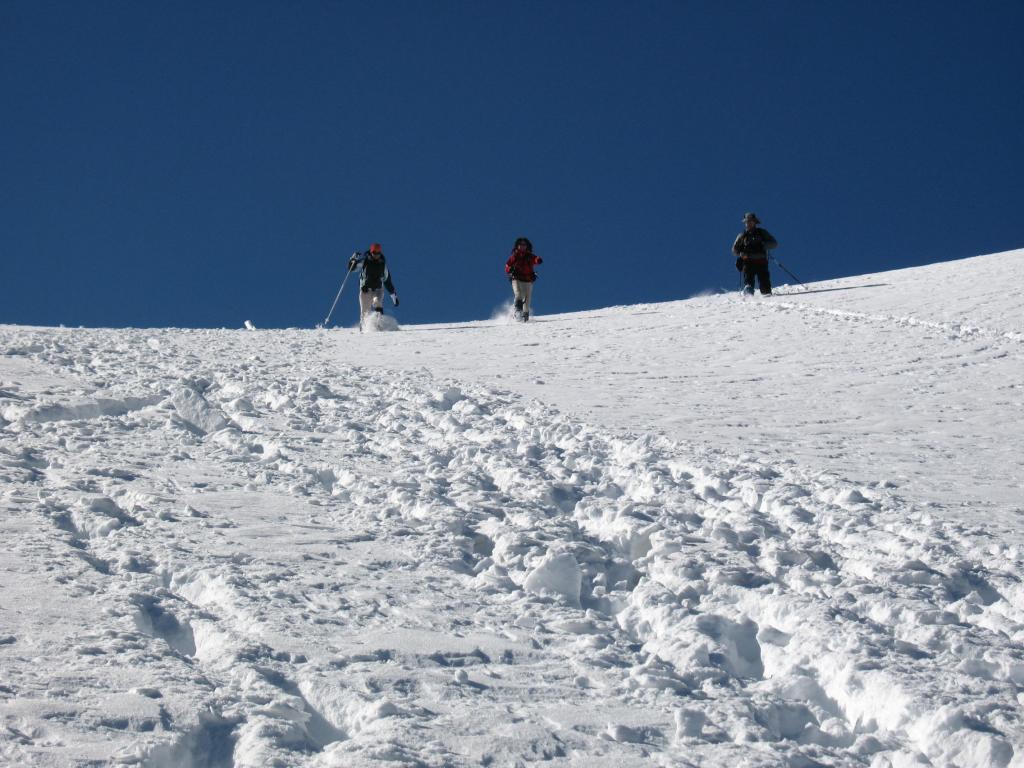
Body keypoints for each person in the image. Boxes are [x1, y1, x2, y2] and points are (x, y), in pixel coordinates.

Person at [348, 243, 398, 324]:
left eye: (378, 253)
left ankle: (379, 324)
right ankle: (364, 329)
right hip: (365, 290)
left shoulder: (382, 264)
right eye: (374, 253)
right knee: (365, 312)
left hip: (378, 290)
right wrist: (353, 260)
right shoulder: (365, 261)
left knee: (378, 303)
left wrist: (393, 296)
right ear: (371, 252)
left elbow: (387, 281)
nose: (376, 255)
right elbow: (351, 269)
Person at [732, 212, 778, 295]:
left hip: (761, 261)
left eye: (750, 221)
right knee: (748, 284)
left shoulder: (762, 232)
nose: (748, 223)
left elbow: (774, 243)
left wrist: (763, 245)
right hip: (748, 262)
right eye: (747, 222)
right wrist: (741, 254)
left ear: (755, 222)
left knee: (765, 286)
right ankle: (749, 301)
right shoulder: (742, 236)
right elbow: (734, 249)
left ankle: (766, 297)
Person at [504, 237, 543, 321]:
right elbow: (507, 265)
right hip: (516, 278)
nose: (522, 246)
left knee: (527, 299)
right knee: (519, 294)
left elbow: (535, 259)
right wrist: (509, 269)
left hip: (528, 280)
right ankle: (517, 312)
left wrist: (538, 260)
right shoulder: (515, 256)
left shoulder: (529, 256)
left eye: (524, 245)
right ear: (517, 246)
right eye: (520, 245)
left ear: (527, 246)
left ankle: (525, 316)